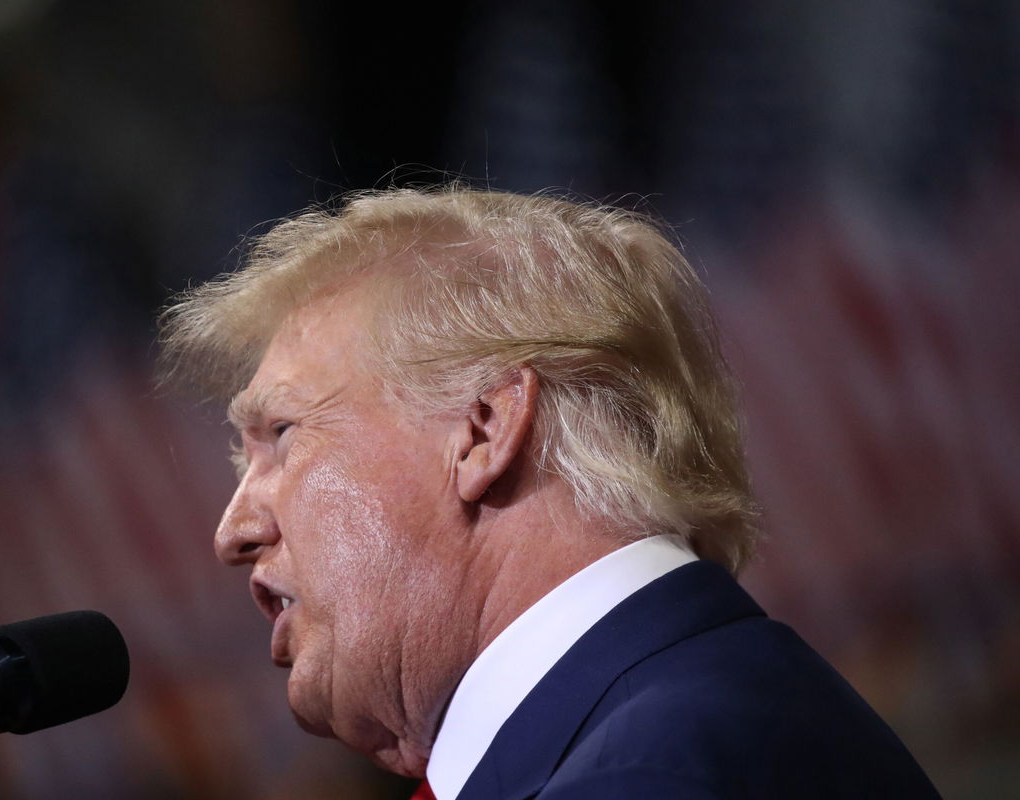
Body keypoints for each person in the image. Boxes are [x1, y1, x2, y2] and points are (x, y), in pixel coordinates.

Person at [159, 188, 941, 799]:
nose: (234, 530)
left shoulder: (646, 777)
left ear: (484, 430)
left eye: (283, 435)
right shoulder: (700, 720)